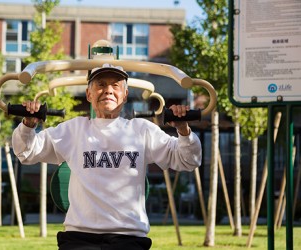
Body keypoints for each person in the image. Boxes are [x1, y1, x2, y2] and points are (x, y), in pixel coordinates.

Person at [12, 63, 202, 250]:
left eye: (115, 85)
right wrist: (28, 125)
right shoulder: (74, 129)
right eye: (101, 85)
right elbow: (26, 152)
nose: (108, 90)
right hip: (80, 237)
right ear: (89, 94)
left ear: (125, 95)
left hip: (128, 237)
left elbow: (188, 160)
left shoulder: (141, 130)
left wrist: (183, 130)